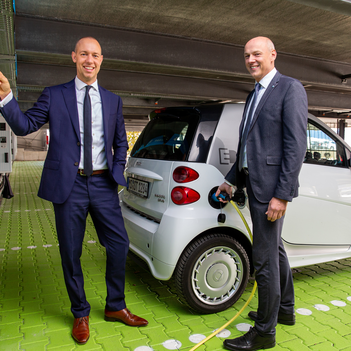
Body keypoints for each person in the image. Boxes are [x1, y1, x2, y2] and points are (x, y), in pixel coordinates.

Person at [0, 37, 148, 345]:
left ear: (101, 60)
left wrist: (117, 170)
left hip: (104, 184)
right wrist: (6, 99)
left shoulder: (112, 100)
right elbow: (25, 126)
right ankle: (80, 312)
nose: (89, 60)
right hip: (70, 185)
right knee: (71, 252)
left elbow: (121, 141)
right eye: (84, 54)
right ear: (74, 57)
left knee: (119, 245)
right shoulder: (55, 95)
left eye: (94, 55)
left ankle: (115, 306)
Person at [216, 37, 307, 351]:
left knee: (264, 259)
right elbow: (247, 148)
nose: (251, 60)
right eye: (246, 56)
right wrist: (231, 181)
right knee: (275, 249)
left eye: (257, 54)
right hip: (254, 185)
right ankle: (284, 311)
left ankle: (265, 332)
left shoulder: (289, 88)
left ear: (272, 55)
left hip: (270, 191)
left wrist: (282, 194)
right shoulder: (254, 93)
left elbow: (296, 146)